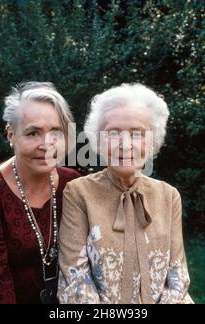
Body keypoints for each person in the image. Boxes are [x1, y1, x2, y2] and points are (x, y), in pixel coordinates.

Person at [58, 83, 194, 304]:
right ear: (99, 141)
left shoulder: (169, 196)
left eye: (137, 133)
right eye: (113, 133)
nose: (125, 144)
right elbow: (75, 283)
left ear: (153, 141)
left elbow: (177, 278)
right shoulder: (78, 192)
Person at [0, 82, 80, 304]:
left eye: (56, 132)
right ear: (11, 135)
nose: (46, 144)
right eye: (33, 133)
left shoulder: (72, 183)